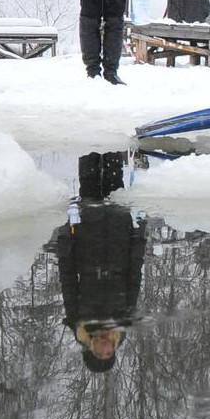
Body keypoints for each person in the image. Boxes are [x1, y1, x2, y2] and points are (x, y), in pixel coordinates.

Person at [46, 153, 149, 373]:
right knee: (114, 182)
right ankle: (110, 141)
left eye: (99, 354)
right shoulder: (123, 321)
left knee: (90, 183)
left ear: (89, 350)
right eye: (108, 353)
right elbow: (134, 276)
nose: (105, 349)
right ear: (114, 349)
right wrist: (139, 237)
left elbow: (68, 277)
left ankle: (91, 142)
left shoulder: (78, 319)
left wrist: (66, 237)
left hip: (87, 239)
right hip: (118, 236)